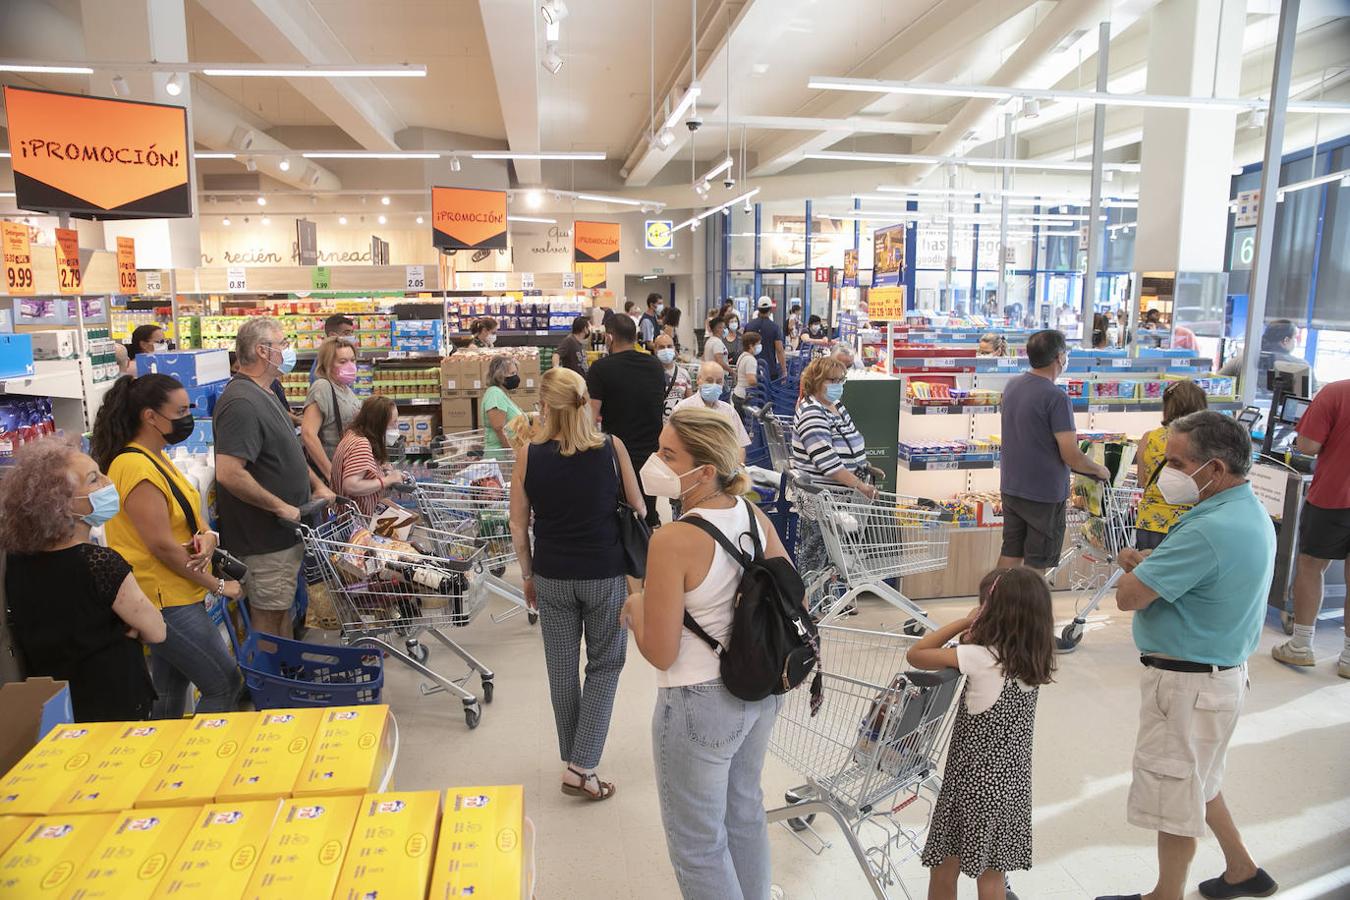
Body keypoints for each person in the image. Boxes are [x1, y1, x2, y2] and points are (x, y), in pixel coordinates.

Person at [1102, 411, 1276, 900]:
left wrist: (1135, 572)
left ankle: (1166, 895)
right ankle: (1242, 868)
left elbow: (1129, 598)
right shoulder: (1245, 510)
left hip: (1188, 685)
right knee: (1200, 781)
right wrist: (1151, 566)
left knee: (1175, 793)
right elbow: (1202, 578)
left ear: (1215, 469)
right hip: (1221, 677)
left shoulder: (1208, 528)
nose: (1167, 474)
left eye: (1177, 462)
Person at [622, 407, 791, 900]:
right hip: (758, 691)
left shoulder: (673, 540)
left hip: (697, 702)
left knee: (697, 844)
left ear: (706, 469)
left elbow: (661, 649)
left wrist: (636, 606)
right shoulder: (753, 516)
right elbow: (792, 594)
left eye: (669, 455)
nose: (654, 462)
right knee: (743, 811)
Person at [509, 367, 645, 803]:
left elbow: (517, 523)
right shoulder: (611, 448)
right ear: (585, 402)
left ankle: (575, 758)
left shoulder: (529, 454)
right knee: (605, 664)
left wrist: (527, 576)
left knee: (562, 669)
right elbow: (639, 507)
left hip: (551, 574)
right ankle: (582, 766)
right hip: (604, 573)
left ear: (545, 407)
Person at [90, 374, 244, 719]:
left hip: (175, 591)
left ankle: (160, 757)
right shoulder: (133, 465)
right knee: (224, 684)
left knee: (169, 689)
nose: (187, 416)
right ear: (150, 416)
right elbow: (160, 544)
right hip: (164, 599)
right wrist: (218, 585)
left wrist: (207, 536)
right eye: (180, 410)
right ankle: (198, 763)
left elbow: (187, 512)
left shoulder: (155, 456)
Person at [908, 566, 1055, 899]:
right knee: (991, 879)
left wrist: (964, 621)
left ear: (992, 612)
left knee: (944, 868)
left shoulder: (979, 657)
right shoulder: (1034, 660)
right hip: (1011, 787)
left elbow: (916, 654)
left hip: (969, 790)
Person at [0, 439, 166, 721]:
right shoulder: (100, 564)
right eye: (93, 479)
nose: (106, 482)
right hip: (115, 701)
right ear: (61, 505)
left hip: (55, 706)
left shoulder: (16, 561)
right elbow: (157, 631)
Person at [214, 317, 332, 638]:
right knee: (267, 619)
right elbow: (229, 472)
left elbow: (288, 450)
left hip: (284, 534)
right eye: (283, 344)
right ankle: (270, 683)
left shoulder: (265, 391)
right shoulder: (240, 402)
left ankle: (286, 675)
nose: (287, 350)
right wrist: (280, 507)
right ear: (263, 351)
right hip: (263, 538)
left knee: (281, 611)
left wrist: (317, 484)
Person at [998, 330, 1110, 572]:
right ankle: (1032, 610)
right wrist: (1099, 470)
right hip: (1044, 494)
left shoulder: (1012, 386)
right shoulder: (1056, 398)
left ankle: (992, 606)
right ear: (1059, 357)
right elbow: (1070, 455)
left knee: (1010, 553)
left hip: (1012, 486)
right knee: (1036, 565)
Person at [1272, 377, 1350, 677]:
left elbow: (1308, 445)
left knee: (1311, 566)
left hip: (1332, 497)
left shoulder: (1335, 392)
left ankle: (1301, 645)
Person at [791, 356, 875, 578]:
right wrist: (860, 485)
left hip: (837, 498)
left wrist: (864, 465)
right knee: (815, 556)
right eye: (832, 380)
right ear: (816, 380)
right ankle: (809, 605)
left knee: (832, 555)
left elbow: (851, 440)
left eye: (841, 380)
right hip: (821, 498)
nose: (837, 386)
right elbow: (828, 463)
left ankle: (828, 600)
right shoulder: (812, 413)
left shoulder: (835, 406)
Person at [587, 314, 666, 528]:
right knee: (648, 510)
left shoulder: (600, 369)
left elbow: (591, 416)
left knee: (621, 511)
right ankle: (650, 550)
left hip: (618, 453)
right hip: (652, 450)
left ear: (609, 338)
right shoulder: (655, 365)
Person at [1134, 381, 1209, 550]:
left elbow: (1142, 481)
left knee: (1147, 573)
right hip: (1187, 524)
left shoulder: (1149, 438)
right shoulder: (1204, 442)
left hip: (1149, 522)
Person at [330, 396, 406, 517]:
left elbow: (360, 469)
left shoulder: (353, 435)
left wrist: (383, 469)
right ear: (379, 423)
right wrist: (387, 480)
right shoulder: (361, 444)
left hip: (350, 517)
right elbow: (351, 485)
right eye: (393, 423)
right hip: (356, 521)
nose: (396, 428)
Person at [301, 337, 362, 484]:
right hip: (334, 474)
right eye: (342, 361)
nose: (350, 366)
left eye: (352, 360)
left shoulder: (345, 388)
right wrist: (330, 474)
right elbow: (308, 434)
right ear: (328, 363)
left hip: (348, 471)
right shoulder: (322, 386)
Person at [674, 362, 751, 461]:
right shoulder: (682, 409)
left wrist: (738, 468)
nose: (714, 385)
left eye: (719, 382)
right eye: (709, 381)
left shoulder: (728, 411)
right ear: (698, 380)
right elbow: (673, 445)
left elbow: (741, 445)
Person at [1218, 319, 1308, 391]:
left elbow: (1216, 383)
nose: (1296, 342)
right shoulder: (1300, 366)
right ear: (1286, 340)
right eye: (1295, 338)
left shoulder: (1243, 359)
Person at [481, 355, 525, 459]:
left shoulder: (501, 394)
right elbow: (498, 427)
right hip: (500, 455)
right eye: (512, 373)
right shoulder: (494, 393)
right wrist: (510, 450)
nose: (516, 377)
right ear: (499, 375)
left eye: (516, 373)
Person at [744, 297, 785, 382]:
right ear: (770, 309)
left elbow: (744, 347)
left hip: (751, 368)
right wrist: (784, 371)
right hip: (769, 370)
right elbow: (779, 350)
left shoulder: (749, 326)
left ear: (758, 309)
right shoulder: (774, 327)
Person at [308, 314, 356, 383]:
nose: (352, 336)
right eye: (346, 333)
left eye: (352, 333)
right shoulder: (323, 362)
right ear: (332, 335)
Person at [655, 333, 692, 422]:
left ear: (674, 348)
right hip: (657, 426)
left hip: (678, 424)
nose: (666, 350)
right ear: (655, 349)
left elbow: (689, 401)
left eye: (669, 346)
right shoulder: (650, 374)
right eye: (661, 347)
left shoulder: (684, 374)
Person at [732, 332, 761, 418]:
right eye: (758, 344)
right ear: (751, 346)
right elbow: (751, 380)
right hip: (744, 396)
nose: (760, 346)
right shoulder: (750, 360)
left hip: (737, 393)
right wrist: (761, 384)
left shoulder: (742, 356)